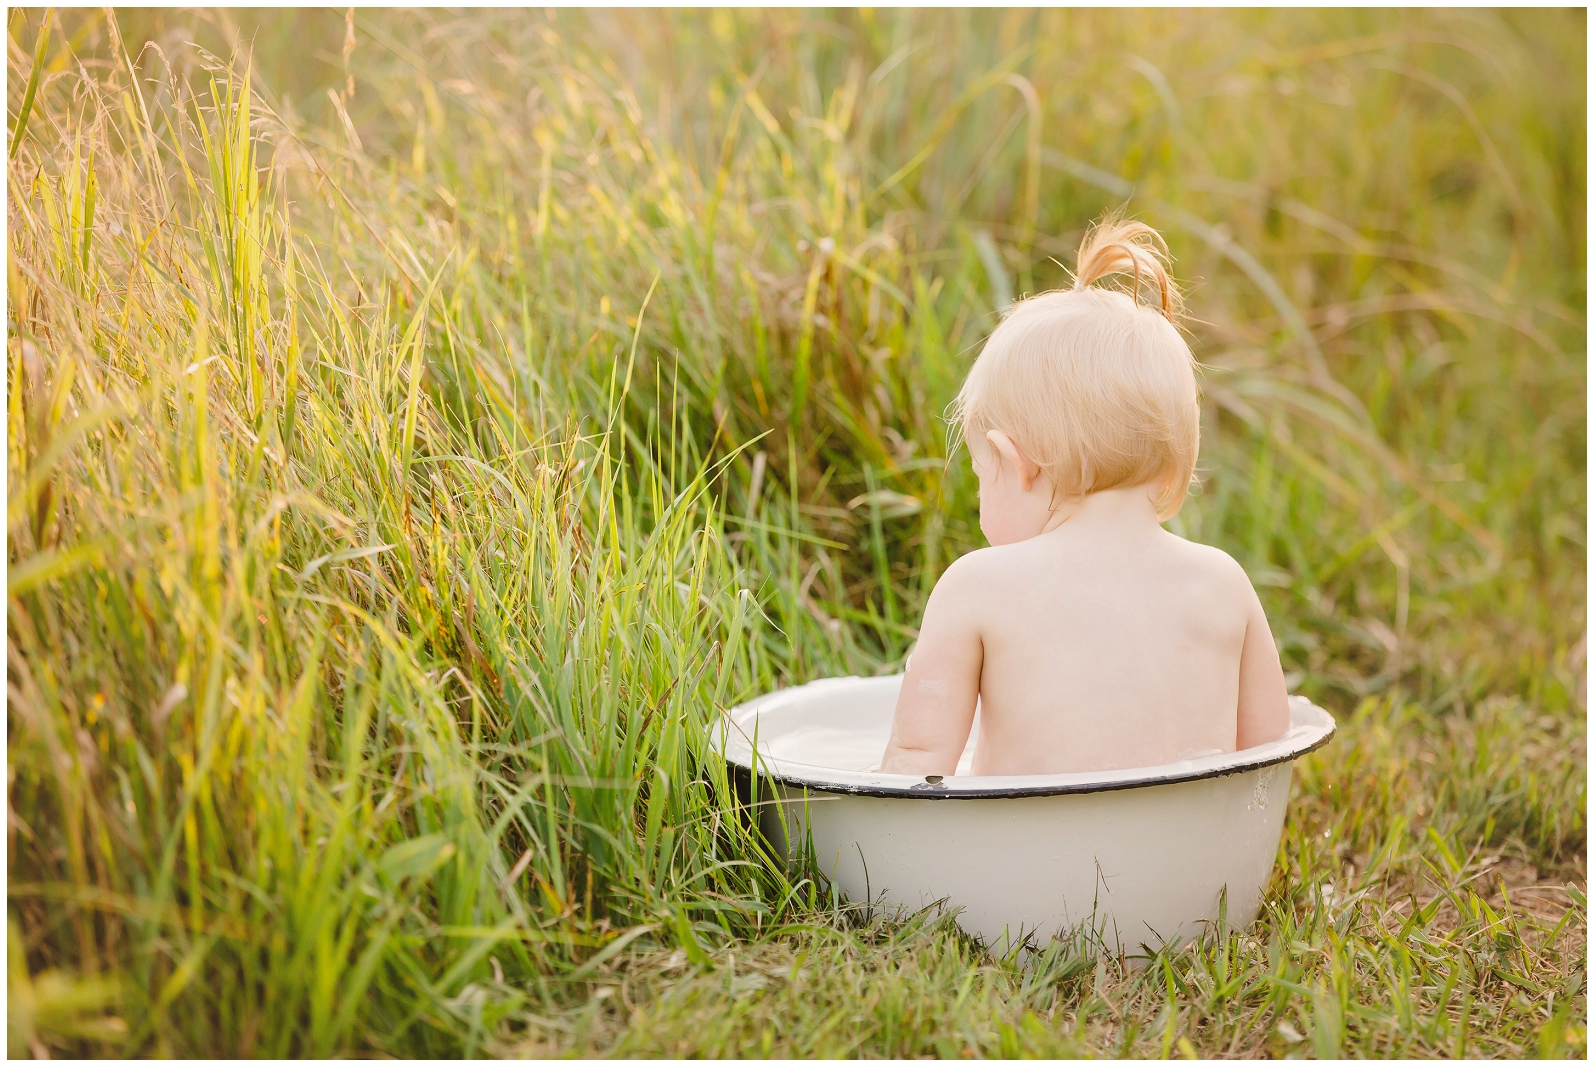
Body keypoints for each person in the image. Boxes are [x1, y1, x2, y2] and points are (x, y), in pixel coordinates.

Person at [879, 218, 1290, 777]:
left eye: (980, 474)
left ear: (1013, 463)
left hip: (1025, 858)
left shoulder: (975, 587)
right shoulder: (1223, 582)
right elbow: (1267, 750)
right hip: (1200, 860)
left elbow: (916, 761)